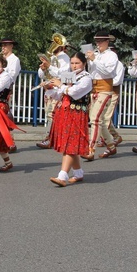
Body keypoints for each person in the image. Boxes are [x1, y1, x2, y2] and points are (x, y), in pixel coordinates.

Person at [45, 52, 93, 186]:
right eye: (72, 63)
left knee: (70, 143)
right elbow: (59, 95)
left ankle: (62, 175)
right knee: (70, 142)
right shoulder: (68, 75)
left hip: (77, 113)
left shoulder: (87, 78)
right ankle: (78, 173)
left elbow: (74, 93)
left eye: (77, 63)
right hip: (64, 112)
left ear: (84, 64)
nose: (74, 66)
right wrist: (49, 88)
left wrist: (60, 84)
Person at [84, 30, 119, 160]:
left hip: (105, 88)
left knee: (95, 119)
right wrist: (88, 61)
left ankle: (90, 149)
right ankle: (111, 145)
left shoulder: (111, 56)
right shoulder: (97, 55)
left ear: (107, 42)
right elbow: (91, 72)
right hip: (95, 88)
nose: (98, 44)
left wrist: (94, 60)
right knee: (100, 121)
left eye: (100, 41)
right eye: (96, 41)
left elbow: (108, 72)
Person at [36, 37, 70, 149]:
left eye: (54, 44)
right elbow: (41, 75)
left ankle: (51, 138)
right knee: (49, 114)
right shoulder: (51, 57)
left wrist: (49, 66)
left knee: (53, 114)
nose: (52, 46)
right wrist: (43, 68)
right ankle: (52, 137)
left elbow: (63, 74)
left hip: (57, 89)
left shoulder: (64, 57)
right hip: (49, 89)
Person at [0, 37, 21, 153]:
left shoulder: (14, 59)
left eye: (6, 45)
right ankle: (4, 142)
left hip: (6, 89)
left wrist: (0, 69)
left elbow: (12, 75)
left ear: (11, 46)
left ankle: (10, 142)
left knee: (5, 115)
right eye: (2, 45)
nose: (3, 47)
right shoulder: (1, 58)